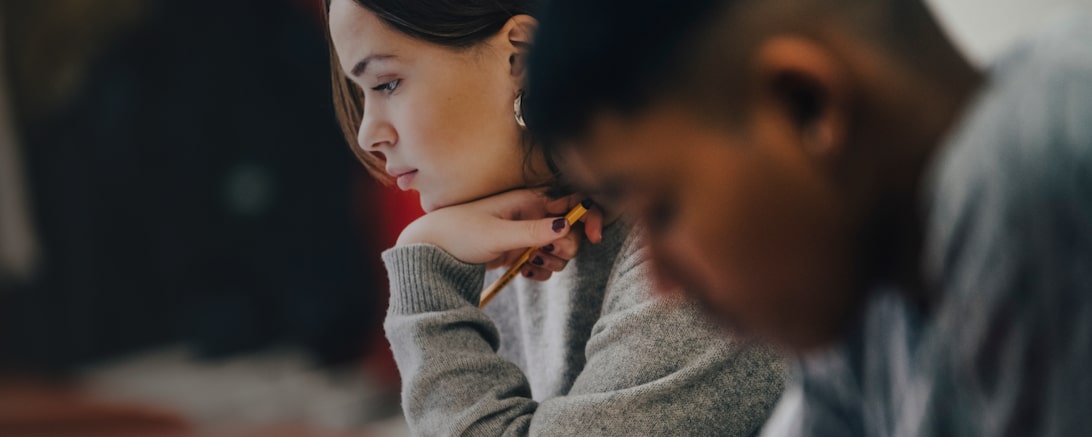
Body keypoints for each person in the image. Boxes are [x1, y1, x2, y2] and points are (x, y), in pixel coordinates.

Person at [523, 0, 1092, 435]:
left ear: (804, 105)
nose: (663, 283)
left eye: (662, 209)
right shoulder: (867, 302)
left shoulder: (1033, 153)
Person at [323, 0, 785, 434]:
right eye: (362, 93)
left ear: (519, 58)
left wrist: (427, 280)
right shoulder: (494, 234)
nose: (368, 135)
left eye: (386, 83)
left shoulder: (699, 249)